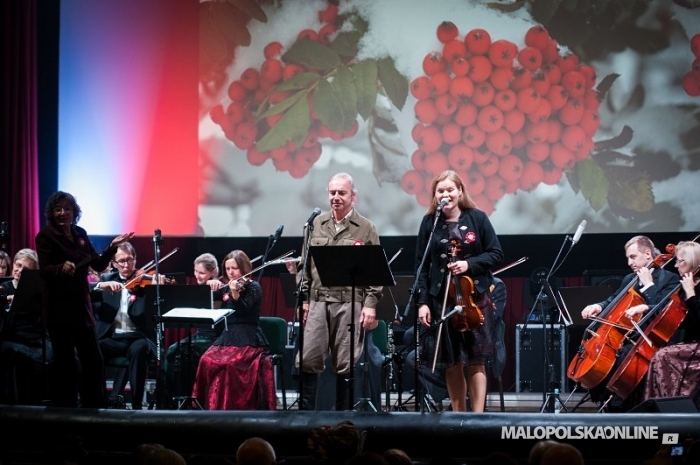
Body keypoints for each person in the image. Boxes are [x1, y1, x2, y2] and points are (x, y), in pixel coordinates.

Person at [415, 170, 503, 413]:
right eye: (440, 191)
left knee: (476, 360)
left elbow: (496, 253)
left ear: (460, 191)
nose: (446, 194)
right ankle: (458, 416)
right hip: (442, 301)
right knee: (452, 363)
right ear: (435, 195)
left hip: (474, 298)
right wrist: (422, 302)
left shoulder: (477, 218)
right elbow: (421, 265)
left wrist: (469, 264)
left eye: (450, 190)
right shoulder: (430, 223)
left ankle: (477, 417)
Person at [35, 191, 133, 408]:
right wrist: (61, 268)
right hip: (59, 309)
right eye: (58, 209)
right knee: (66, 363)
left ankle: (94, 407)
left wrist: (113, 247)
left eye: (67, 208)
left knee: (93, 360)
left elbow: (97, 264)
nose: (63, 213)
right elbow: (45, 271)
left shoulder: (80, 233)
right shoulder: (45, 237)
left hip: (81, 307)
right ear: (51, 212)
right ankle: (67, 409)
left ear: (74, 211)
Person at [296, 172, 383, 411]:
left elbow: (374, 271)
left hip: (350, 302)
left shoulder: (366, 228)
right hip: (317, 301)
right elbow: (305, 266)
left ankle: (343, 420)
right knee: (308, 358)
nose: (336, 197)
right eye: (332, 192)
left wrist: (370, 304)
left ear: (353, 196)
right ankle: (303, 421)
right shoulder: (315, 225)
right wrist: (303, 300)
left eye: (341, 193)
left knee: (346, 364)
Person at [580, 235, 680, 411]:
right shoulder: (629, 279)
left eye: (633, 257)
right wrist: (598, 306)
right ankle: (606, 403)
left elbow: (661, 311)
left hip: (651, 340)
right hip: (626, 336)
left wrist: (649, 285)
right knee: (605, 355)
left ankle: (619, 407)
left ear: (648, 254)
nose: (629, 262)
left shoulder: (669, 279)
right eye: (628, 258)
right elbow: (614, 300)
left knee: (622, 355)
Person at [192, 250, 276, 410]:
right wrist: (209, 283)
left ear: (243, 268)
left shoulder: (253, 287)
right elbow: (206, 299)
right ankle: (210, 408)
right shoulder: (225, 287)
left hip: (248, 337)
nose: (231, 273)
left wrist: (235, 292)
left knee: (229, 364)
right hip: (228, 335)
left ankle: (230, 407)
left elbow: (243, 309)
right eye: (228, 269)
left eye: (234, 268)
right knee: (206, 360)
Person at [90, 242, 160, 410]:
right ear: (113, 263)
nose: (126, 265)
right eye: (121, 261)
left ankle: (136, 404)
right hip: (114, 338)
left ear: (135, 260)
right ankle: (98, 400)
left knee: (138, 350)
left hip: (138, 337)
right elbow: (88, 294)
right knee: (94, 349)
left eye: (129, 259)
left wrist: (157, 282)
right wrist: (100, 286)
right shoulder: (107, 280)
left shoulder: (145, 281)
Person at [643, 241, 700, 408]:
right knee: (660, 354)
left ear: (692, 261)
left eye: (680, 261)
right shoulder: (685, 285)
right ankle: (660, 411)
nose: (675, 265)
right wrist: (647, 307)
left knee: (662, 356)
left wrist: (691, 294)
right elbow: (672, 312)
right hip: (690, 343)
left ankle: (671, 412)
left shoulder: (691, 287)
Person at [165, 252, 224, 400]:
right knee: (173, 350)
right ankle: (171, 398)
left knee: (185, 352)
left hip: (216, 337)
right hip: (199, 335)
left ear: (213, 273)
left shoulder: (220, 288)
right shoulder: (197, 289)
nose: (197, 276)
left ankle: (193, 396)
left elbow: (215, 317)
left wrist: (213, 286)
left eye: (202, 273)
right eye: (196, 271)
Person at [0, 248, 52, 404]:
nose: (19, 270)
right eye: (18, 265)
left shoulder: (37, 290)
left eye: (26, 269)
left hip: (35, 336)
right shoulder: (5, 287)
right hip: (11, 336)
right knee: (13, 355)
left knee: (59, 354)